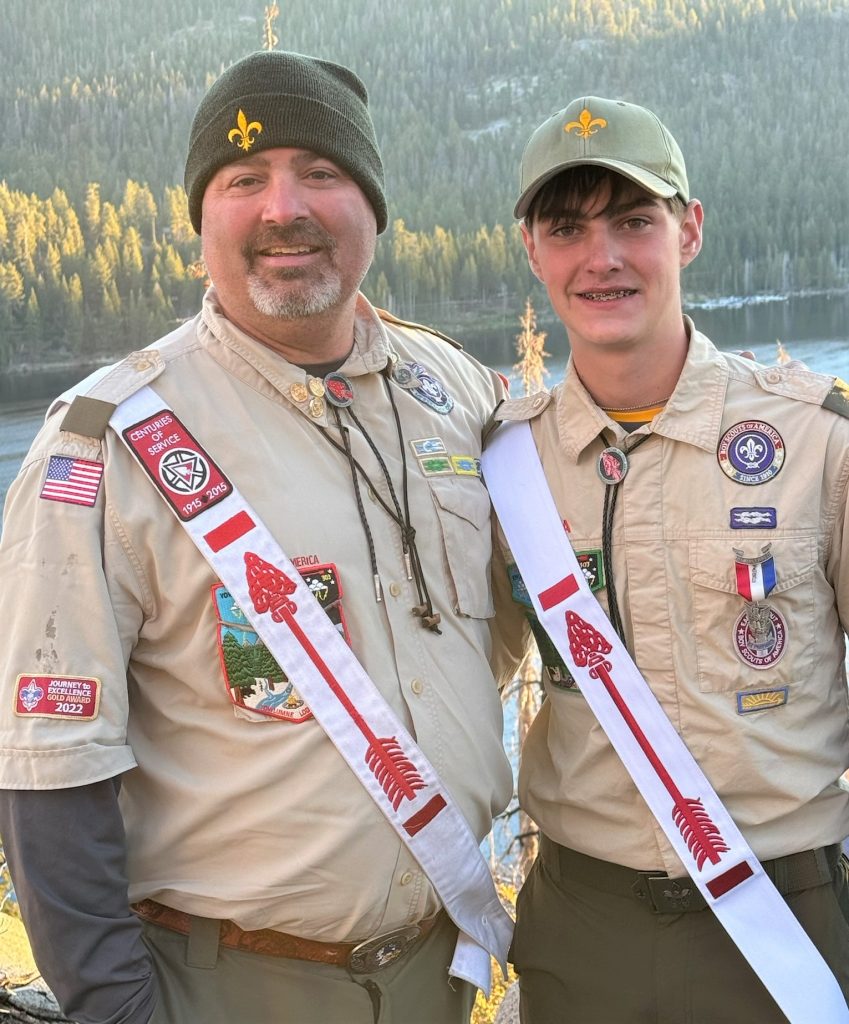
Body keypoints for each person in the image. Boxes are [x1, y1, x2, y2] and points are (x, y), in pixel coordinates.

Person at [0, 51, 525, 1024]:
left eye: (321, 173)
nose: (286, 206)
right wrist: (117, 1011)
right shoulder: (105, 441)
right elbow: (47, 770)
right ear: (202, 220)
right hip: (226, 987)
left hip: (435, 980)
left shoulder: (454, 390)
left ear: (373, 205)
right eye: (244, 181)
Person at [487, 95, 849, 1021]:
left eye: (633, 221)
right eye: (567, 227)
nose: (601, 257)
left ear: (687, 231)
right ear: (532, 250)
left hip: (785, 917)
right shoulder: (504, 464)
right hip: (581, 924)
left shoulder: (814, 440)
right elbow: (458, 674)